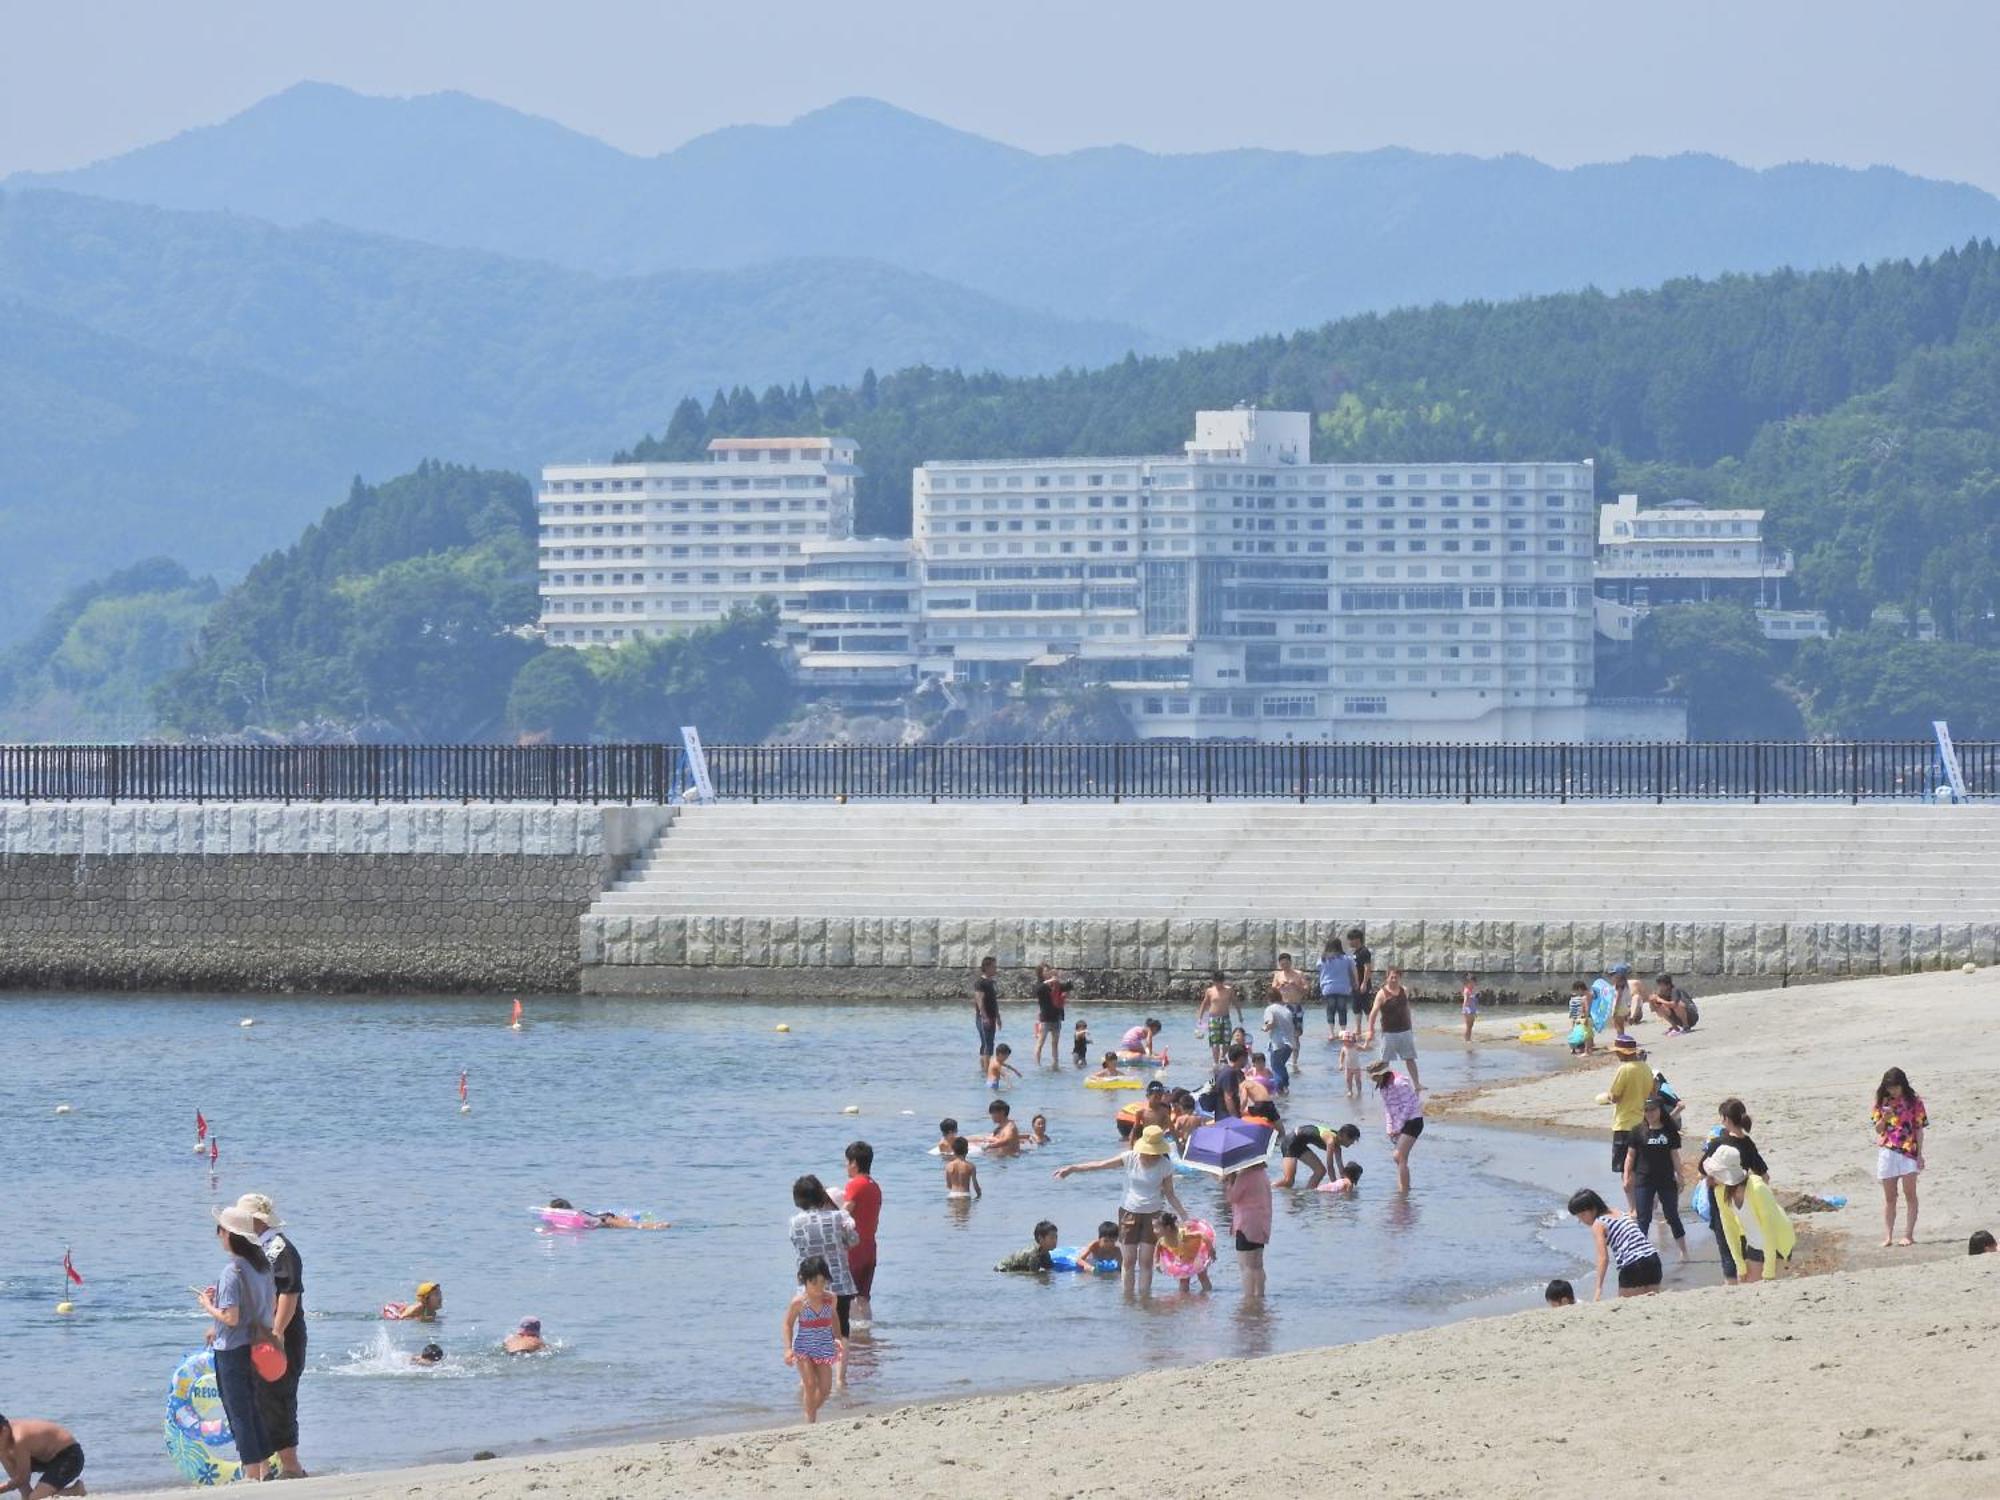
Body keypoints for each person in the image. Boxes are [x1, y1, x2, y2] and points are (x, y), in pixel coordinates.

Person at [1052, 1125, 1189, 1295]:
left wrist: (1184, 1215)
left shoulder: (1165, 1164)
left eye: (1156, 1152)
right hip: (1128, 1212)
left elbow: (1170, 1194)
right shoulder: (1130, 1158)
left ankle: (1145, 1300)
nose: (1153, 1155)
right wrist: (1072, 1168)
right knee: (1129, 1261)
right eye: (1150, 1152)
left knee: (1146, 1262)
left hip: (1153, 1215)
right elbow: (1100, 1165)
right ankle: (1128, 1299)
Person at [196, 1204, 276, 1482]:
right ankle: (265, 1467)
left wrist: (208, 1305)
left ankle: (251, 1472)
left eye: (220, 1230)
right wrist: (216, 1318)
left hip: (232, 1350)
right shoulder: (262, 1265)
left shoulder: (232, 1271)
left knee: (238, 1411)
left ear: (229, 1235)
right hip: (258, 1346)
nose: (218, 1235)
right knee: (254, 1408)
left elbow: (231, 1318)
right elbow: (268, 1306)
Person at [236, 1193, 307, 1479]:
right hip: (259, 1333)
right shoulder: (258, 1249)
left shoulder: (280, 1249)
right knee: (258, 1397)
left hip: (281, 1333)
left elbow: (289, 1293)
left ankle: (291, 1465)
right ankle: (265, 1466)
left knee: (278, 1396)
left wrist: (277, 1334)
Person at [787, 1175, 860, 1362]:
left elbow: (797, 1246)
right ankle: (840, 1380)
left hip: (809, 1285)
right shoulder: (838, 1217)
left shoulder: (794, 1222)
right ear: (821, 1195)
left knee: (811, 1329)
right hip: (839, 1281)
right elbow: (853, 1240)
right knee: (842, 1328)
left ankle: (809, 1375)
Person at [1625, 1096, 1689, 1262]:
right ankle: (1640, 1253)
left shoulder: (1670, 1131)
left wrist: (1680, 1177)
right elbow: (1630, 1156)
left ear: (1660, 1110)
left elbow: (1675, 1156)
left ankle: (1684, 1252)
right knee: (1643, 1217)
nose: (1650, 1113)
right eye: (1646, 1110)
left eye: (1653, 1109)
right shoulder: (1637, 1131)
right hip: (1644, 1180)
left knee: (1672, 1215)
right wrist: (1627, 1177)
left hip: (1666, 1180)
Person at [1568, 1188, 1663, 1300]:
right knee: (1650, 1302)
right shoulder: (1619, 1212)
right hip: (1653, 1259)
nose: (1582, 1220)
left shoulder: (1598, 1224)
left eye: (1582, 1215)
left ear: (1593, 1209)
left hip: (1633, 1264)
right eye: (1578, 1217)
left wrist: (1598, 1288)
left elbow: (1603, 1258)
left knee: (1625, 1305)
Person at [783, 1255, 843, 1423]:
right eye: (813, 1283)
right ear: (804, 1281)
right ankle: (810, 1421)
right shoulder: (799, 1302)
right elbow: (787, 1324)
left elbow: (835, 1318)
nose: (818, 1287)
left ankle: (809, 1412)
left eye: (822, 1282)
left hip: (824, 1347)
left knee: (825, 1389)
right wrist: (788, 1349)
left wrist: (837, 1338)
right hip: (804, 1348)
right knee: (809, 1384)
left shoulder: (830, 1298)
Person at [1873, 1066, 1926, 1247]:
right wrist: (1885, 1118)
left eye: (1896, 1087)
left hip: (1909, 1151)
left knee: (1910, 1194)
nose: (1893, 1091)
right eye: (1889, 1087)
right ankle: (1888, 1236)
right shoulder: (1882, 1102)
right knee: (1890, 1197)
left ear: (1903, 1085)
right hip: (1888, 1151)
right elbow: (1878, 1129)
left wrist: (1919, 1154)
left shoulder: (1915, 1102)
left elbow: (1919, 1129)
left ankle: (1908, 1235)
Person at [1604, 1034, 1653, 1210]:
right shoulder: (1646, 1069)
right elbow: (1652, 1093)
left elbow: (1615, 1096)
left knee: (1626, 1169)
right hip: (1643, 1122)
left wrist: (1609, 1097)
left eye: (1617, 1052)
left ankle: (1633, 1208)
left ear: (1623, 1053)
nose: (1616, 1055)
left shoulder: (1624, 1069)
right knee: (1643, 1165)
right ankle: (1649, 1202)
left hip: (1624, 1124)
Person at [842, 1141, 882, 1331]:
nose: (846, 1167)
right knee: (863, 1297)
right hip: (870, 1248)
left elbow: (844, 1214)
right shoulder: (875, 1186)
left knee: (848, 1296)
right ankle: (866, 1335)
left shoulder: (854, 1184)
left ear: (854, 1163)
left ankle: (854, 1339)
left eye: (847, 1162)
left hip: (854, 1249)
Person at [1368, 1059, 1424, 1192]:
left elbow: (1409, 1105)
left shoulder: (1399, 1082)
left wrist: (1398, 1126)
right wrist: (1389, 1127)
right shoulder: (1383, 1086)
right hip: (1399, 1123)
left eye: (1376, 1077)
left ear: (1383, 1073)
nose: (1374, 1080)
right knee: (1401, 1159)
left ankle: (1404, 1191)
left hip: (1413, 1120)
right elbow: (1388, 1108)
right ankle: (1403, 1190)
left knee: (1398, 1155)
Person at [0, 1415, 84, 1500]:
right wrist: (26, 1495)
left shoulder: (19, 1438)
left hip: (69, 1456)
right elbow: (16, 1475)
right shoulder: (4, 1443)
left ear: (4, 1431)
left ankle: (75, 1491)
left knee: (35, 1498)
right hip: (43, 1458)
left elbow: (23, 1478)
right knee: (29, 1497)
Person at [1365, 967, 1421, 1092]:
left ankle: (1417, 1084)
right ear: (1387, 978)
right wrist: (1370, 1030)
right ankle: (1384, 1086)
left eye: (1396, 977)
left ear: (1400, 978)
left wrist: (1411, 1026)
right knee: (1385, 1061)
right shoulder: (1382, 993)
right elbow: (1373, 1013)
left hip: (1405, 1030)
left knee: (1410, 1058)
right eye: (1391, 977)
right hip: (1389, 1033)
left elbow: (1407, 1009)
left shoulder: (1404, 991)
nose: (1394, 980)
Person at [1224, 1158, 1273, 1297]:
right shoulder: (1262, 1174)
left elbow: (1232, 1198)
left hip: (1246, 1225)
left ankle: (1249, 1298)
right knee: (1257, 1264)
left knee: (1245, 1265)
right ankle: (1260, 1296)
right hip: (1261, 1224)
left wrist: (1230, 1181)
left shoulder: (1245, 1176)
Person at [1154, 1212, 1214, 1291]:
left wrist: (1211, 1251)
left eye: (1156, 1228)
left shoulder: (1183, 1235)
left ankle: (1208, 1296)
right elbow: (1158, 1248)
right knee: (1183, 1280)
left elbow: (1202, 1235)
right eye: (1153, 1227)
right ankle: (1184, 1300)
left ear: (1168, 1228)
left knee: (1202, 1276)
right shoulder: (1163, 1240)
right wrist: (1157, 1262)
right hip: (1184, 1258)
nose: (1154, 1231)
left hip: (1196, 1255)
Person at [1261, 985, 1298, 1095]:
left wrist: (1265, 1028)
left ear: (1268, 998)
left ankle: (1280, 1090)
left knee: (1276, 1067)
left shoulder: (1270, 1009)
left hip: (1278, 1043)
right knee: (1281, 1066)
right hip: (1290, 1044)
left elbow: (1270, 1023)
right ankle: (1285, 1087)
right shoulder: (1286, 1010)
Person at [1317, 938, 1357, 1039]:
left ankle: (1331, 1033)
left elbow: (1319, 968)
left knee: (1330, 1009)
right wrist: (1356, 982)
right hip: (1343, 987)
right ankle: (1343, 1031)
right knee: (1342, 1009)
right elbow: (1353, 971)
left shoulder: (1323, 959)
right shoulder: (1347, 958)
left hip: (1328, 987)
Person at [545, 1198, 669, 1230]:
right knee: (629, 1222)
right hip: (604, 1218)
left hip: (606, 1221)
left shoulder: (575, 1215)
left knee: (633, 1226)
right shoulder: (575, 1213)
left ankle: (659, 1225)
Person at [1198, 972, 1241, 1064]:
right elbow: (1204, 1004)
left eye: (1219, 982)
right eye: (1216, 982)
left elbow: (1235, 1002)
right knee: (1215, 1042)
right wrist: (1200, 1018)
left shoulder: (1229, 990)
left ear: (1223, 981)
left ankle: (1222, 1056)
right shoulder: (1210, 991)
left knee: (1227, 1040)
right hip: (1213, 1019)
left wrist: (1240, 1015)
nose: (1218, 984)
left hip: (1225, 1017)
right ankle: (1215, 1063)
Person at [1033, 963, 1068, 1068]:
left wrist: (1058, 979)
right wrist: (1049, 981)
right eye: (1045, 971)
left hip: (1056, 1017)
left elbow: (1068, 987)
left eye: (1048, 970)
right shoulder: (1040, 985)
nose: (1048, 972)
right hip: (1045, 1018)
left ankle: (1055, 1064)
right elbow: (1038, 990)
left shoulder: (1055, 984)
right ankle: (1037, 1065)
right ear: (1040, 973)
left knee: (1055, 1043)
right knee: (1040, 1042)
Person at [995, 1220, 1060, 1272]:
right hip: (1002, 1269)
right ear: (1041, 1239)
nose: (1055, 1241)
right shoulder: (1034, 1255)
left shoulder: (1045, 1252)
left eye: (1056, 1237)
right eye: (1052, 1238)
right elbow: (1034, 1276)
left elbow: (1049, 1267)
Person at [972, 956, 1001, 1067]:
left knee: (989, 1044)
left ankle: (984, 1070)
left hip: (992, 1017)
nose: (995, 969)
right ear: (987, 967)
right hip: (984, 1018)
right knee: (987, 1045)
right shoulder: (980, 983)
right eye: (994, 966)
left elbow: (994, 1002)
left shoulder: (991, 983)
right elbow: (979, 1001)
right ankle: (986, 1070)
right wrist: (984, 1017)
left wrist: (998, 1017)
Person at [1566, 979, 1594, 1055]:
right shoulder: (1589, 994)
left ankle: (1587, 1052)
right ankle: (1589, 1050)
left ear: (1579, 989)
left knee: (1586, 1034)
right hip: (1589, 1016)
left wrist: (1585, 1018)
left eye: (1576, 991)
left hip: (1586, 1017)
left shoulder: (1585, 996)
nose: (1577, 993)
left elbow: (1587, 1007)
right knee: (1589, 1034)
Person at [1459, 973, 1480, 1042]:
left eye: (1474, 983)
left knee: (1471, 1025)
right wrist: (1464, 1009)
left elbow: (1474, 1002)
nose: (1474, 985)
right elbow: (1465, 1001)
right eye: (1472, 983)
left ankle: (1469, 1038)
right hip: (1468, 1010)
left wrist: (1476, 1011)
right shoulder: (1467, 991)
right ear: (1467, 983)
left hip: (1472, 1009)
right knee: (1468, 1026)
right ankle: (1466, 1039)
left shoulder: (1472, 990)